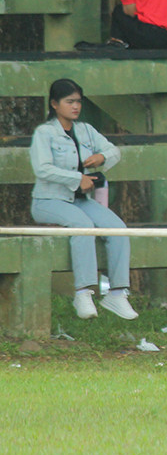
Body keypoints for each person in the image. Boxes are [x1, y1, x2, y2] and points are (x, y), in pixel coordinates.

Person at [29, 79, 138, 320]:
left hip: (81, 201)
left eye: (78, 101)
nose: (75, 106)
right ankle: (83, 292)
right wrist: (77, 179)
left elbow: (114, 151)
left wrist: (101, 157)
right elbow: (42, 169)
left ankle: (117, 293)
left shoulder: (86, 130)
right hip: (49, 201)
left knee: (118, 229)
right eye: (69, 102)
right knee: (83, 227)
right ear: (55, 104)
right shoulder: (45, 133)